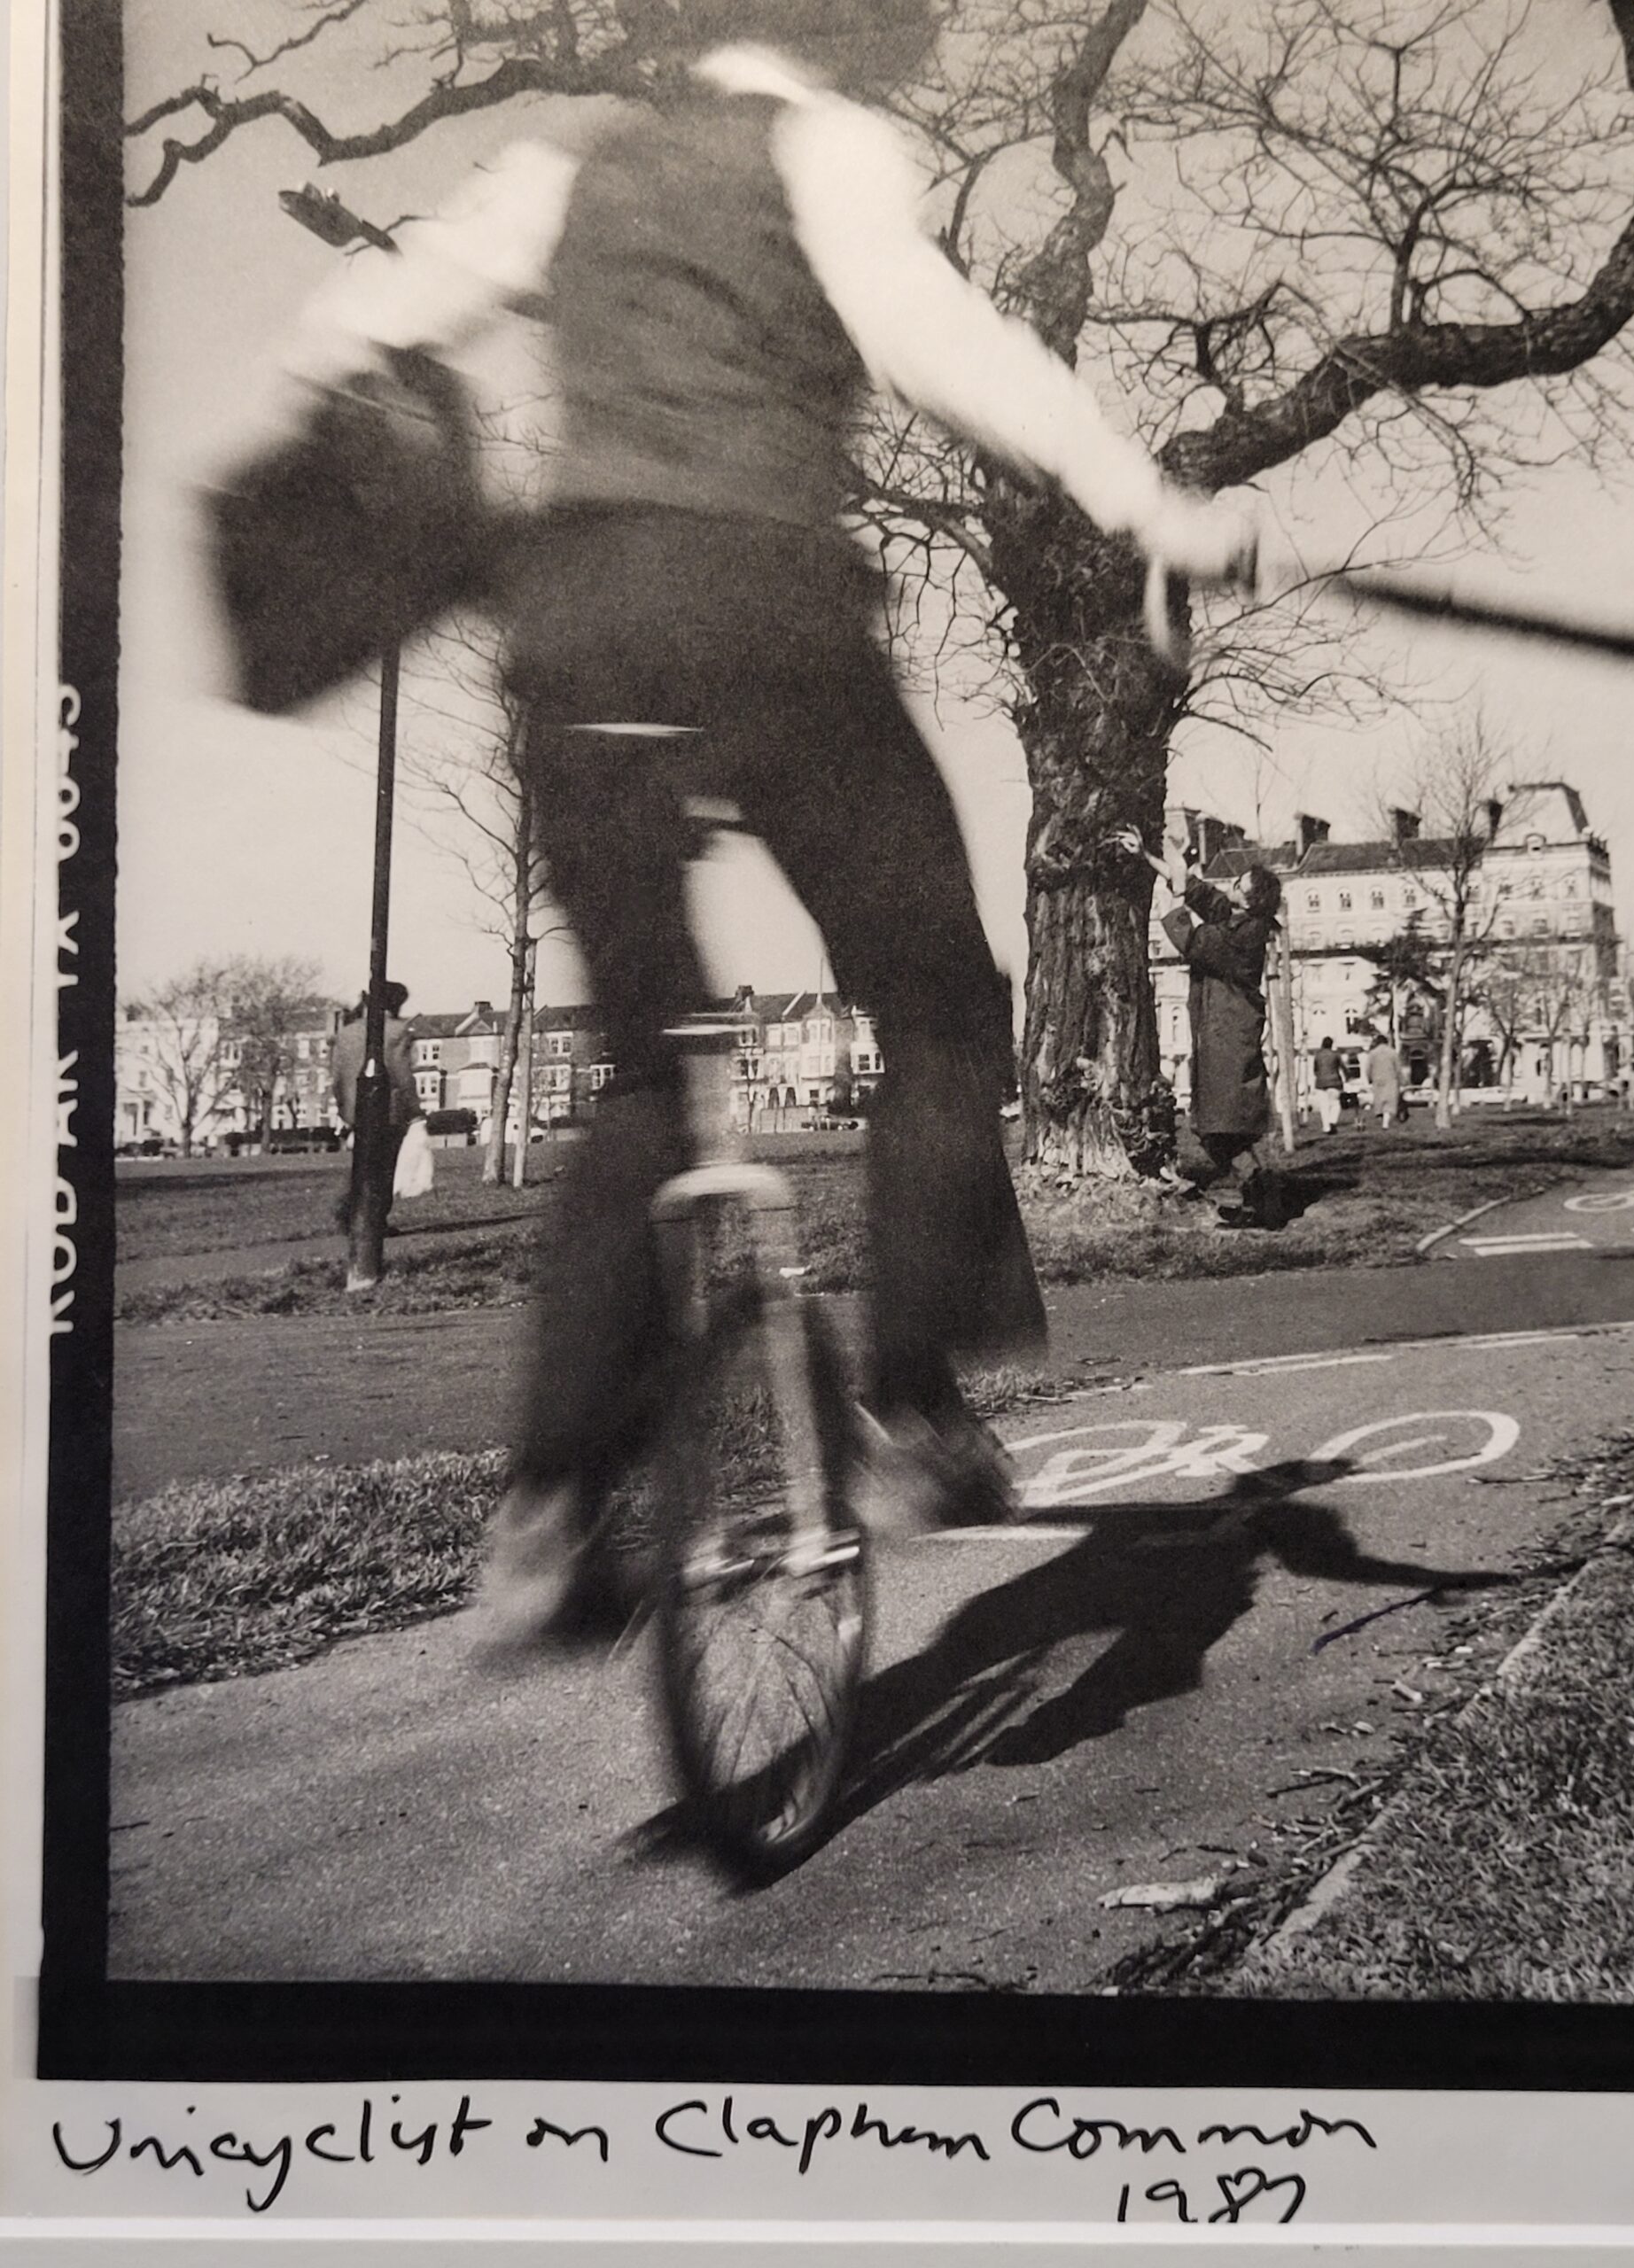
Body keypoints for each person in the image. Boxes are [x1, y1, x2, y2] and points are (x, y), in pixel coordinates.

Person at [291, 0, 1262, 1647]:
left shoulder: (570, 164)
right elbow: (943, 341)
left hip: (577, 633)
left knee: (646, 1067)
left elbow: (366, 318)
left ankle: (549, 1507)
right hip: (771, 618)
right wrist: (1145, 502)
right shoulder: (825, 148)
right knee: (939, 1001)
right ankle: (910, 1410)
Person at [1121, 827, 1284, 1224]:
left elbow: (1192, 941)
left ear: (1252, 900)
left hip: (1229, 1036)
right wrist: (1148, 856)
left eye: (1240, 884)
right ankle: (1261, 1197)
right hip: (1221, 1033)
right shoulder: (1240, 919)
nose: (1232, 885)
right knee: (1221, 1126)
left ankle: (1261, 1200)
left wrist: (1174, 901)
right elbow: (1197, 890)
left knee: (1219, 1127)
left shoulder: (1245, 935)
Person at [331, 980, 423, 1231]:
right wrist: (414, 1109)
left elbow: (337, 1077)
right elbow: (402, 1075)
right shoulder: (398, 1031)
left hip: (355, 1109)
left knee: (363, 1162)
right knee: (385, 1166)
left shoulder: (346, 1034)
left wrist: (344, 1109)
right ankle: (374, 1220)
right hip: (387, 1108)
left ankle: (353, 1212)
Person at [1366, 1031, 1402, 1130]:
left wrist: (1369, 1078)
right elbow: (1398, 1068)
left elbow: (1368, 1068)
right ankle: (1385, 1123)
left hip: (1377, 1080)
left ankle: (1382, 1119)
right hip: (1391, 1079)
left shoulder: (1372, 1053)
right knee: (1389, 1103)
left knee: (1379, 1101)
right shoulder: (1392, 1052)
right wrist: (1400, 1080)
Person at [1311, 1034, 1344, 1133]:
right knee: (1335, 1104)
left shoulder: (1318, 1055)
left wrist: (1319, 1076)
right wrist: (1348, 1076)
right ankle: (1332, 1121)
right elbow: (1342, 1067)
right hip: (1335, 1082)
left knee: (1324, 1106)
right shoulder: (1336, 1055)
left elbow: (1315, 1070)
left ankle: (1326, 1127)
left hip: (1321, 1083)